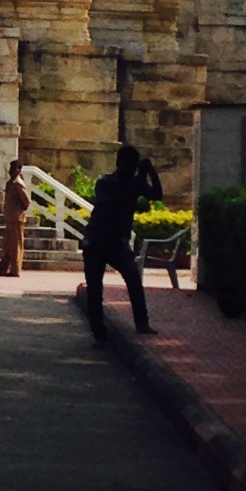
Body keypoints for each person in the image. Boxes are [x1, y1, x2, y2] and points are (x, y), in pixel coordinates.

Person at [82, 143, 163, 343]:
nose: (131, 170)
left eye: (134, 166)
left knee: (134, 279)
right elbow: (114, 204)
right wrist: (139, 180)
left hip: (117, 243)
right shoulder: (105, 183)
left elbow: (157, 195)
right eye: (129, 165)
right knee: (95, 290)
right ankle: (99, 335)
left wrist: (151, 172)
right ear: (119, 164)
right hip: (96, 241)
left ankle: (142, 322)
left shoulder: (135, 183)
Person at [0, 159, 32, 277]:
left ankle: (15, 269)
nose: (11, 171)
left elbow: (26, 202)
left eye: (14, 169)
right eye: (10, 168)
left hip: (16, 219)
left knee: (15, 245)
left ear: (19, 170)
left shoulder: (18, 184)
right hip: (10, 218)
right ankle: (2, 268)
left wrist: (18, 210)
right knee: (7, 245)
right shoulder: (10, 183)